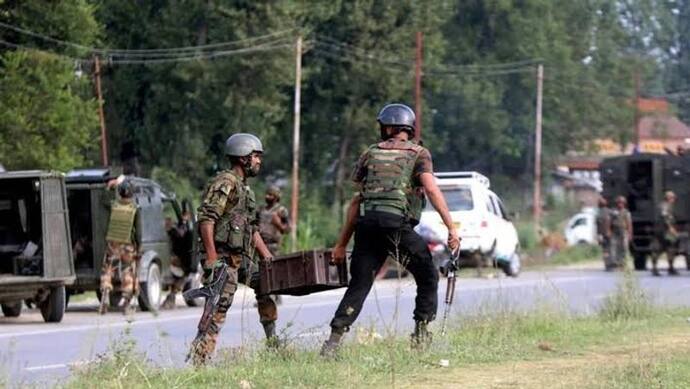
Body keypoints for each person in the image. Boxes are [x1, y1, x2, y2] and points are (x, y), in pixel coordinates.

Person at [320, 103, 461, 357]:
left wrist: (341, 244)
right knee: (428, 275)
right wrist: (451, 228)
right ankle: (420, 336)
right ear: (407, 127)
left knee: (360, 284)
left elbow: (356, 201)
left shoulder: (370, 153)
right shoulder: (419, 153)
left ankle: (333, 341)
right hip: (396, 225)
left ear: (388, 127)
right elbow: (430, 188)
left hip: (366, 226)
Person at [187, 133, 277, 365]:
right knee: (219, 307)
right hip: (224, 258)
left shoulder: (245, 190)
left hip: (241, 258)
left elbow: (252, 228)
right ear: (243, 157)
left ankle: (273, 344)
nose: (259, 161)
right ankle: (200, 361)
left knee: (265, 285)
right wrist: (212, 258)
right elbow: (206, 219)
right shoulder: (225, 183)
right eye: (256, 156)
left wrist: (266, 256)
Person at [99, 178, 140, 315]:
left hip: (112, 244)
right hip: (128, 246)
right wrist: (139, 248)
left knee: (108, 270)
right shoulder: (135, 208)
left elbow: (103, 200)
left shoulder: (113, 205)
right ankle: (126, 302)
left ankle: (105, 293)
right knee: (127, 272)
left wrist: (109, 187)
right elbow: (138, 231)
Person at [257, 185, 291, 305]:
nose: (268, 197)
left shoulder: (281, 211)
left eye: (271, 195)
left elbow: (288, 229)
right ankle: (265, 297)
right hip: (261, 244)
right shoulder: (261, 209)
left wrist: (279, 225)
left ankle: (277, 295)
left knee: (274, 270)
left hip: (274, 245)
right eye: (267, 194)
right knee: (262, 272)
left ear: (276, 197)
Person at [161, 201, 195, 310]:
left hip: (176, 258)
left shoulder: (179, 228)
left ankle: (171, 298)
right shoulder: (178, 229)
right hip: (175, 259)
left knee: (183, 275)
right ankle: (171, 297)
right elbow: (180, 235)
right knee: (184, 275)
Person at [653, 190, 679, 276]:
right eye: (672, 198)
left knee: (669, 248)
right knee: (663, 248)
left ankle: (670, 268)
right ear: (668, 198)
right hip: (664, 231)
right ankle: (656, 268)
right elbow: (665, 218)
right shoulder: (664, 206)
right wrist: (670, 228)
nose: (674, 199)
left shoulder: (668, 206)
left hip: (665, 230)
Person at [608, 196, 632, 270]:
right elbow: (609, 222)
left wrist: (630, 233)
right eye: (619, 203)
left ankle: (624, 263)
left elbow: (629, 224)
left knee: (624, 248)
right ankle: (615, 263)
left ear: (624, 204)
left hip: (623, 231)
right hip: (615, 232)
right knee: (614, 248)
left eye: (621, 203)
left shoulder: (626, 212)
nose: (620, 204)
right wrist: (609, 231)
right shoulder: (613, 212)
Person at [596, 197, 613, 270]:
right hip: (609, 233)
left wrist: (598, 236)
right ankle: (611, 263)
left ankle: (607, 264)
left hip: (602, 234)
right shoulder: (610, 212)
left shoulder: (598, 213)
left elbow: (597, 226)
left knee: (605, 250)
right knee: (610, 249)